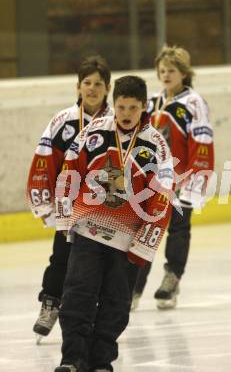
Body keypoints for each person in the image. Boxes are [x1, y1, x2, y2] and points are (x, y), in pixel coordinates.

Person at [53, 75, 173, 372]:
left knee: (116, 304)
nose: (126, 114)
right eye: (121, 107)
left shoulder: (155, 144)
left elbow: (162, 198)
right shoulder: (92, 133)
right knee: (77, 295)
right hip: (88, 230)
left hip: (127, 241)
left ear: (144, 107)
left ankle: (101, 361)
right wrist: (66, 220)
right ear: (113, 105)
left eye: (133, 108)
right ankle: (72, 359)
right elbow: (69, 172)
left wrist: (144, 246)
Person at [26, 55, 113, 344]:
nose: (92, 88)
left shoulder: (117, 123)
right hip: (68, 207)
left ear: (107, 88)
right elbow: (43, 163)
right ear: (77, 87)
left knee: (100, 265)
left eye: (98, 84)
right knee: (61, 258)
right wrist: (45, 203)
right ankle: (50, 304)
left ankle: (95, 314)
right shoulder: (62, 122)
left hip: (104, 210)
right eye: (86, 83)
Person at [130, 45, 214, 311]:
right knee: (144, 232)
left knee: (178, 229)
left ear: (184, 73)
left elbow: (202, 142)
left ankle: (172, 276)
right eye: (162, 70)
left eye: (172, 70)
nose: (166, 75)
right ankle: (133, 288)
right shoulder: (152, 101)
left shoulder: (194, 103)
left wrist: (194, 180)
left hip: (181, 180)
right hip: (152, 181)